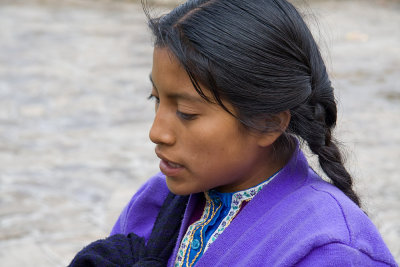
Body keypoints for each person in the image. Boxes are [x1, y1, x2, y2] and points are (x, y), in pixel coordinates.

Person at [69, 0, 397, 266]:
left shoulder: (328, 251)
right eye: (156, 99)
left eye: (187, 113)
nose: (157, 132)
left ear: (268, 122)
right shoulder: (156, 201)